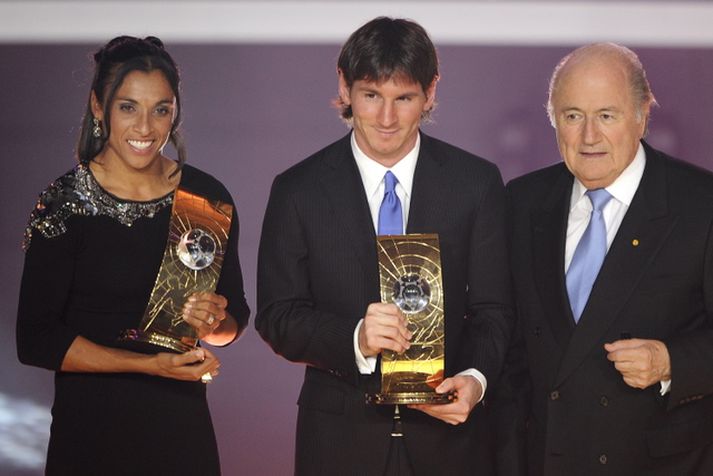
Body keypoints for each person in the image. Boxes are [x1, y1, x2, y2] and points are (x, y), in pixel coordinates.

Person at [256, 17, 513, 475]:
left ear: (430, 92)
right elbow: (278, 316)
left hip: (452, 444)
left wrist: (475, 380)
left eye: (404, 98)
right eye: (372, 96)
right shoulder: (298, 190)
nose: (387, 118)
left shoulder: (476, 183)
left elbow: (494, 311)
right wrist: (356, 338)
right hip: (338, 444)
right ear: (345, 86)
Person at [16, 36, 250, 475]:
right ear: (98, 107)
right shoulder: (65, 204)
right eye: (128, 107)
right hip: (90, 437)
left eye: (160, 109)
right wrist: (150, 366)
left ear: (175, 112)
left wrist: (216, 322)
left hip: (181, 434)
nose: (145, 127)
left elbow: (233, 318)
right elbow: (35, 339)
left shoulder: (205, 196)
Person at [506, 43, 713, 474]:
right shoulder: (522, 202)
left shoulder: (701, 204)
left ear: (642, 115)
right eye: (572, 116)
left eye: (606, 115)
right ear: (553, 119)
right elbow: (508, 342)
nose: (589, 137)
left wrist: (670, 362)